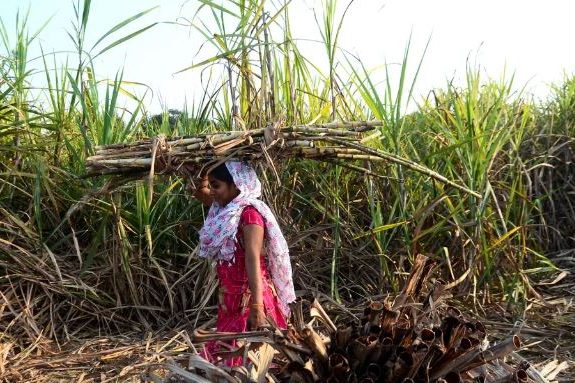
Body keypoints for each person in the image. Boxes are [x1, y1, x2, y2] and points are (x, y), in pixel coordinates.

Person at [190, 160, 296, 366]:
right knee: (229, 355)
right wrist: (202, 165)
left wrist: (257, 306)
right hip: (230, 297)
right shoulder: (225, 210)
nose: (212, 191)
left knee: (251, 358)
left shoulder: (249, 214)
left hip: (249, 297)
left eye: (216, 185)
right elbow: (199, 190)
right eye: (211, 185)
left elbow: (252, 259)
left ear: (236, 184)